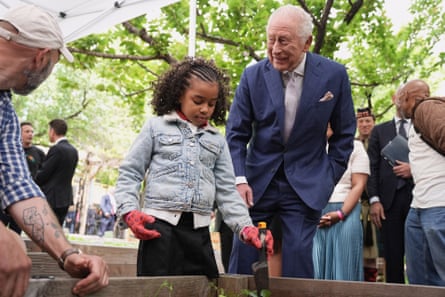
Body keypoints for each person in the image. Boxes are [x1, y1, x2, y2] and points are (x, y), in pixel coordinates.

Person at [226, 4, 356, 278]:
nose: (274, 49)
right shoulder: (252, 76)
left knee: (298, 258)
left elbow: (345, 135)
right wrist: (239, 179)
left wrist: (327, 177)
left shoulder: (334, 75)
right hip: (256, 183)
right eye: (270, 40)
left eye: (283, 41)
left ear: (307, 42)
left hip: (306, 185)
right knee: (245, 254)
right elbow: (236, 134)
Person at [114, 57, 273, 279]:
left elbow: (227, 191)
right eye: (198, 101)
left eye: (212, 103)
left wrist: (245, 228)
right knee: (156, 291)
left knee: (206, 287)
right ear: (179, 94)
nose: (205, 109)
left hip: (198, 233)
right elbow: (130, 173)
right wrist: (129, 210)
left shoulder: (217, 141)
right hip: (158, 230)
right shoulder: (156, 127)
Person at [0, 4, 108, 297]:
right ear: (42, 57)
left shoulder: (5, 109)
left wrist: (68, 254)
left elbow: (17, 185)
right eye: (54, 64)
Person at [397, 79, 445, 286]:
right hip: (419, 204)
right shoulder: (419, 116)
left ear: (406, 97)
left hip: (439, 202)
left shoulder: (425, 107)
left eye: (399, 100)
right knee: (421, 279)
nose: (398, 105)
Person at [367, 90, 414, 283]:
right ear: (395, 100)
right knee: (392, 255)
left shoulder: (423, 127)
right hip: (388, 203)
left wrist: (414, 169)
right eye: (403, 97)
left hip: (417, 199)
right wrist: (374, 200)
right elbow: (372, 167)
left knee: (418, 254)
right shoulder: (379, 130)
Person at [312, 124, 369, 281]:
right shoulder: (309, 147)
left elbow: (358, 185)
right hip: (315, 212)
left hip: (346, 211)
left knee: (344, 268)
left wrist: (341, 213)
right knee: (315, 268)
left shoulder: (355, 146)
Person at [0, 121, 46, 235]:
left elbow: (44, 174)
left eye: (32, 132)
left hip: (24, 200)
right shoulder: (8, 151)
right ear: (18, 133)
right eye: (27, 131)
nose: (30, 134)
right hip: (5, 198)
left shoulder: (38, 153)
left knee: (16, 232)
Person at [36, 118, 79, 226]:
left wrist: (32, 180)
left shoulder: (56, 149)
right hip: (65, 197)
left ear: (52, 131)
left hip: (52, 197)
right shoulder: (73, 151)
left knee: (46, 231)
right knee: (57, 230)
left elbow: (44, 174)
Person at [355, 107, 381, 282]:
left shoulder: (380, 143)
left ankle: (377, 283)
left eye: (368, 121)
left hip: (377, 204)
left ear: (374, 123)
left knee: (377, 250)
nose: (364, 124)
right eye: (361, 121)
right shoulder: (351, 144)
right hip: (355, 205)